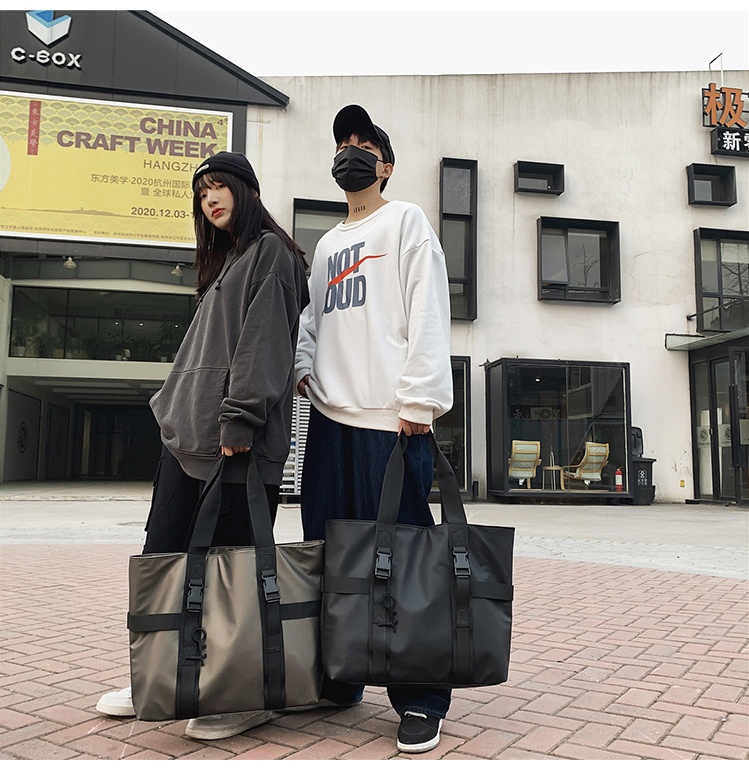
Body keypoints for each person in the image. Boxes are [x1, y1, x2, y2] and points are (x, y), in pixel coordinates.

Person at [95, 151, 310, 741]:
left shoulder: (273, 254)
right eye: (202, 191)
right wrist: (170, 407)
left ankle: (243, 696)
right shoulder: (224, 265)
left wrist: (239, 422)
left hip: (234, 443)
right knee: (164, 559)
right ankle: (157, 679)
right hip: (186, 437)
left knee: (232, 572)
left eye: (219, 187)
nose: (209, 198)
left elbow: (265, 345)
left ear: (245, 190)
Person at [294, 105, 453, 754]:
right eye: (343, 144)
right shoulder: (329, 244)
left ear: (385, 166)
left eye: (364, 145)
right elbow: (313, 318)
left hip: (392, 423)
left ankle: (420, 698)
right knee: (333, 559)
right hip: (330, 422)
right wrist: (305, 370)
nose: (351, 152)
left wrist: (419, 399)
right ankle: (345, 678)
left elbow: (428, 305)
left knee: (406, 560)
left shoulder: (406, 219)